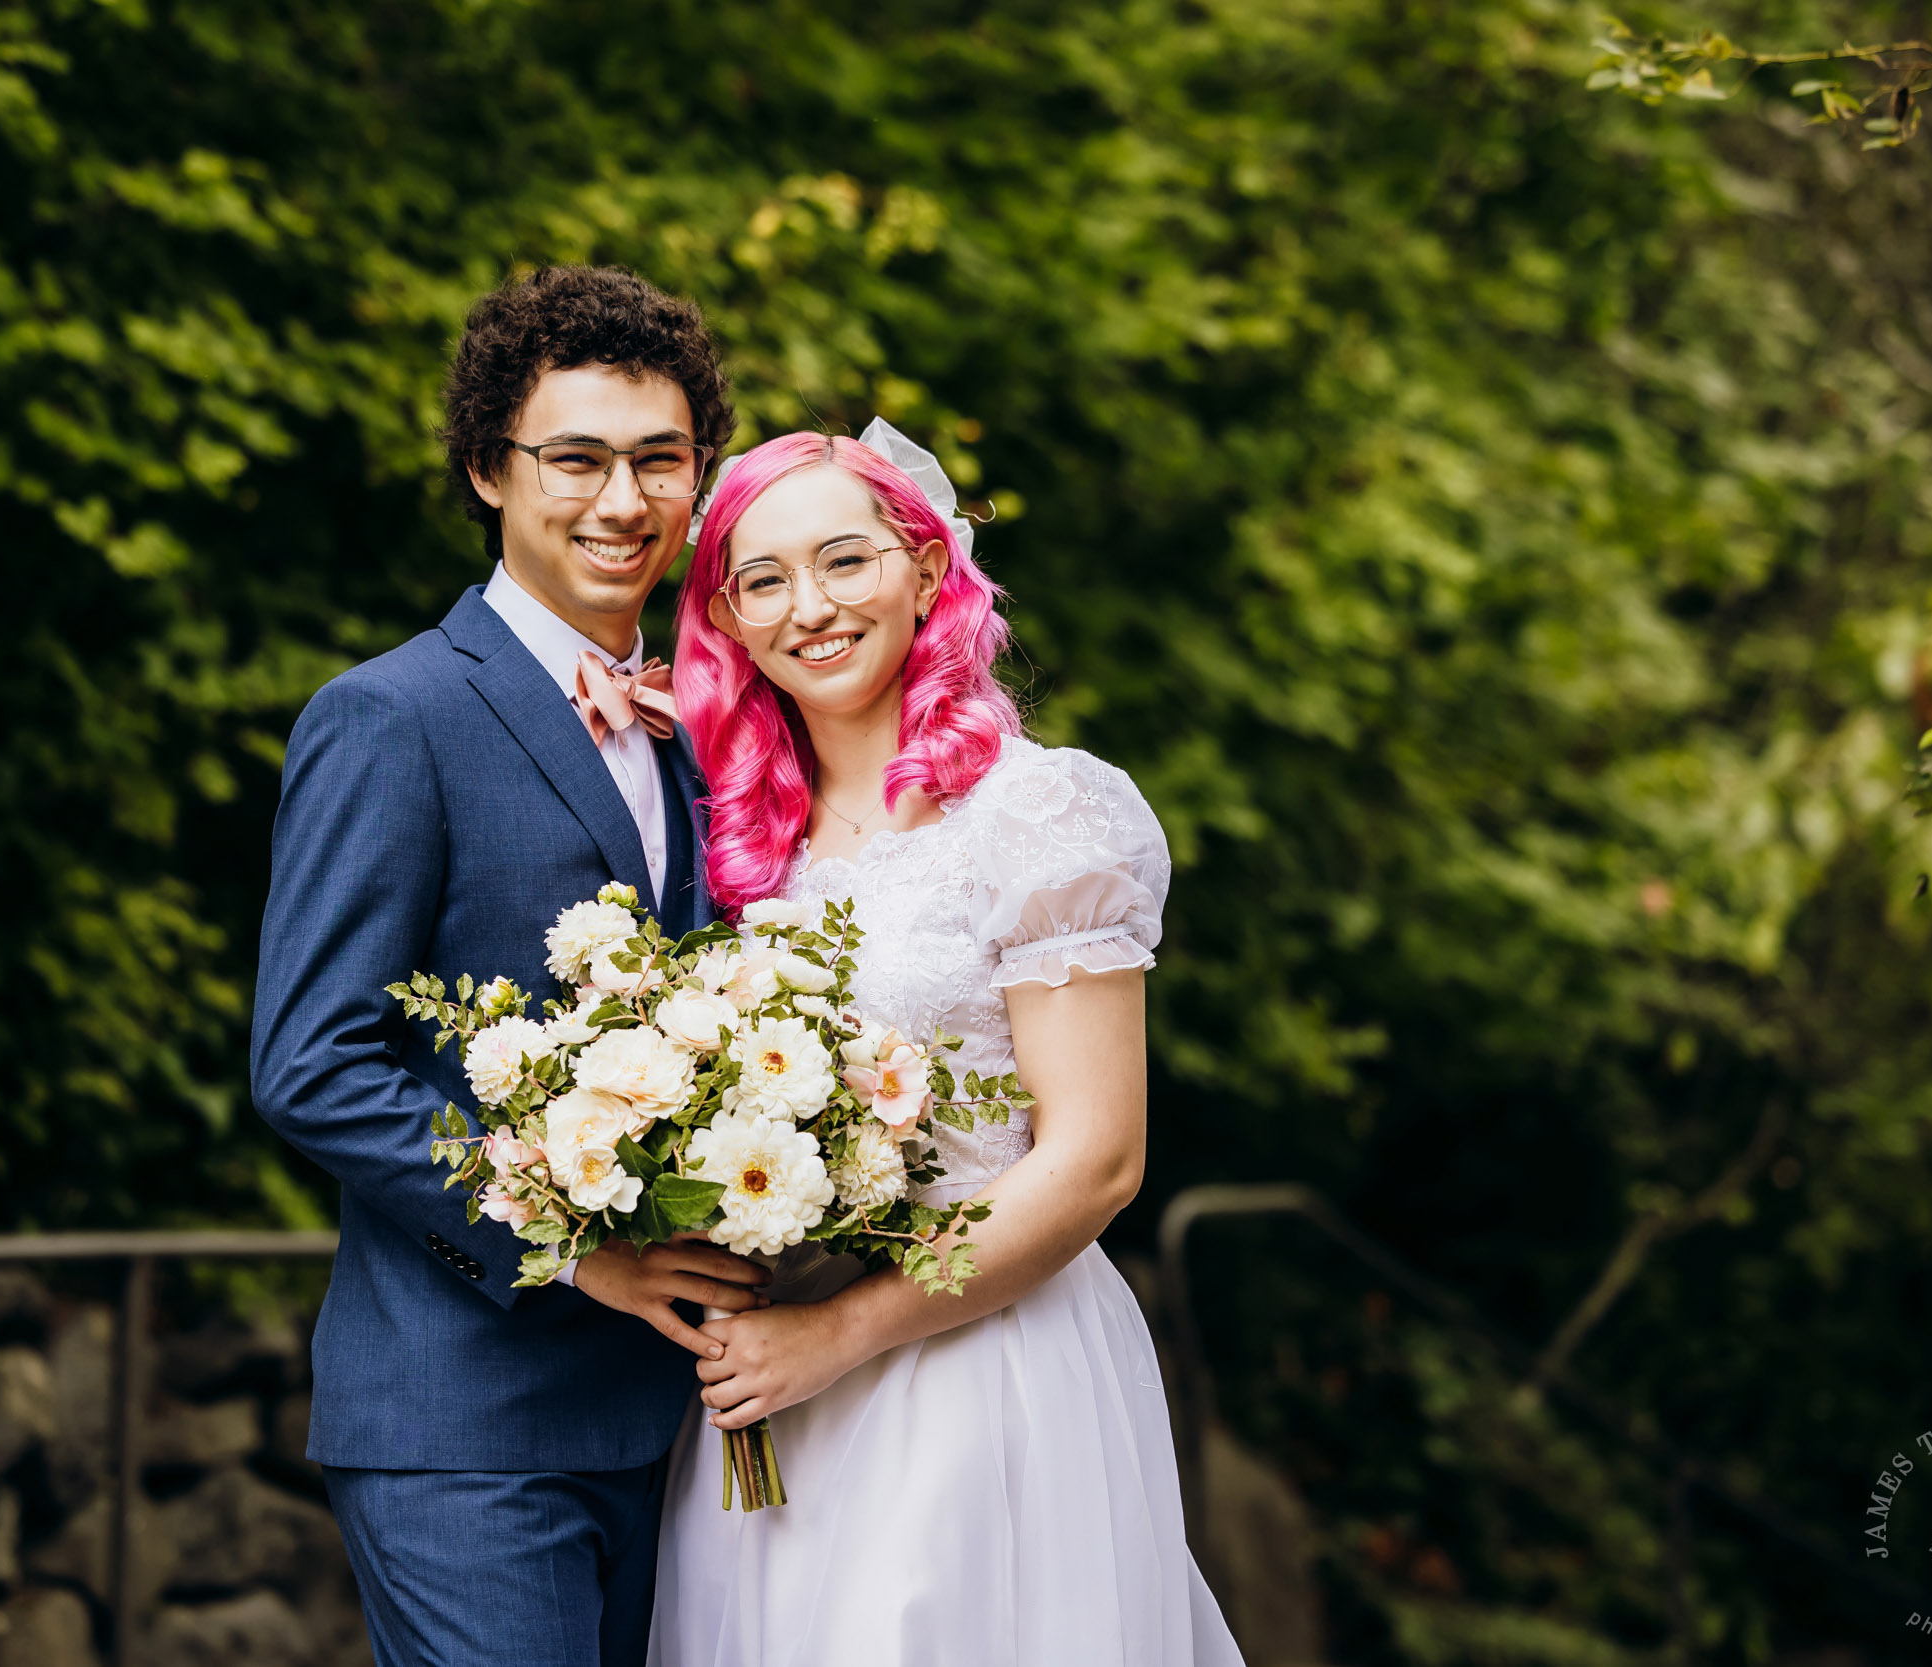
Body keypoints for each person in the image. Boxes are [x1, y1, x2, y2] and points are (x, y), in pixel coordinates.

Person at [647, 424, 1244, 1665]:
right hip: (771, 1397)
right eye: (763, 580)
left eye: (845, 560)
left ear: (926, 573)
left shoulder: (1038, 812)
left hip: (976, 1371)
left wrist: (841, 1330)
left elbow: (1095, 1161)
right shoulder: (753, 853)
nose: (809, 606)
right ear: (733, 625)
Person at [250, 265, 773, 1667]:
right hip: (466, 1424)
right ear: (492, 467)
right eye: (577, 459)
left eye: (661, 460)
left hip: (683, 1426)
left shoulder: (708, 738)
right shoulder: (389, 716)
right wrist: (574, 1242)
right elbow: (312, 1064)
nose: (623, 501)